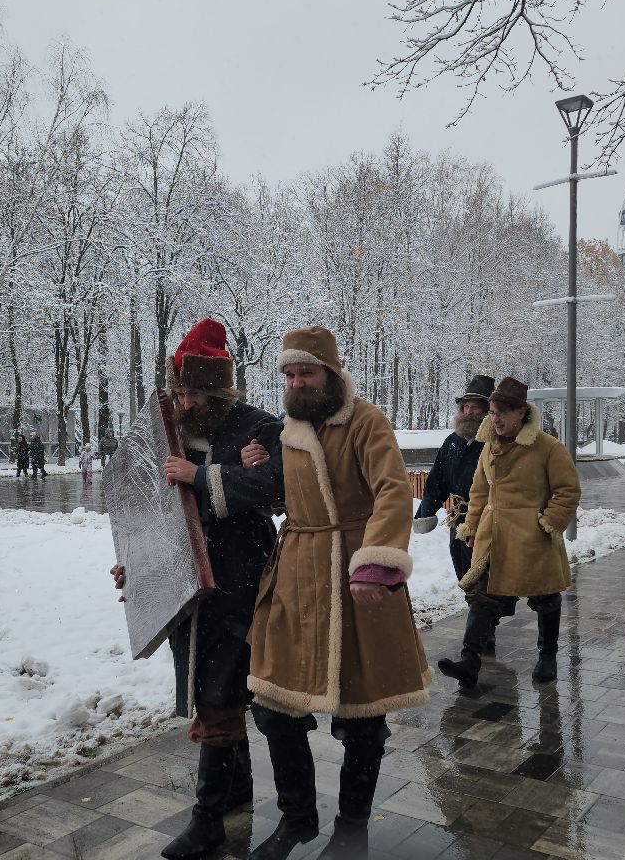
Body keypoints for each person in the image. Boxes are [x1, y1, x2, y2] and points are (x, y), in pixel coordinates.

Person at [246, 326, 433, 860]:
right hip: (298, 576)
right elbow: (295, 499)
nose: (296, 381)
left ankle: (352, 831)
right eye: (288, 373)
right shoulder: (289, 429)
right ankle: (298, 818)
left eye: (305, 371)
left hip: (356, 576)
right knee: (273, 708)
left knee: (363, 714)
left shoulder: (366, 421)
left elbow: (393, 490)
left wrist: (374, 563)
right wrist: (265, 473)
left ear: (329, 371)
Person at [110, 318, 284, 860]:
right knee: (217, 691)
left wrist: (203, 475)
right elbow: (150, 509)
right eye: (180, 390)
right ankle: (237, 793)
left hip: (240, 578)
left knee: (219, 693)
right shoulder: (169, 433)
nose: (186, 401)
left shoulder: (259, 426)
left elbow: (276, 486)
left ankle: (207, 820)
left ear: (219, 389)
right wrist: (137, 566)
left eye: (196, 392)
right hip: (188, 585)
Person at [437, 376, 581, 691]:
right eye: (492, 412)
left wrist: (549, 523)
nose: (496, 418)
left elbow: (568, 490)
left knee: (545, 597)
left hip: (533, 539)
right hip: (495, 537)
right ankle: (470, 662)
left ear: (522, 414)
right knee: (483, 596)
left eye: (503, 412)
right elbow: (478, 491)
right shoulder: (488, 447)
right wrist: (472, 526)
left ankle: (547, 656)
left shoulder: (547, 447)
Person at [413, 374, 495, 583]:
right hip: (459, 520)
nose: (468, 412)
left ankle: (482, 611)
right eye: (465, 406)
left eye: (474, 407)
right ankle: (477, 609)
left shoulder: (494, 442)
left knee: (484, 578)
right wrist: (426, 511)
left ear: (487, 411)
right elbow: (437, 479)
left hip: (487, 519)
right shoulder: (452, 441)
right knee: (464, 573)